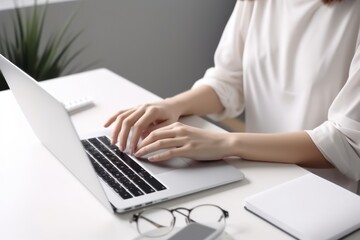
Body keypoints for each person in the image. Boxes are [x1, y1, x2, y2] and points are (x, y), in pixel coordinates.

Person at [105, 0, 360, 193]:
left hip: (322, 193)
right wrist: (172, 106)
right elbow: (229, 79)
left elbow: (347, 143)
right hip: (257, 176)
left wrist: (226, 144)